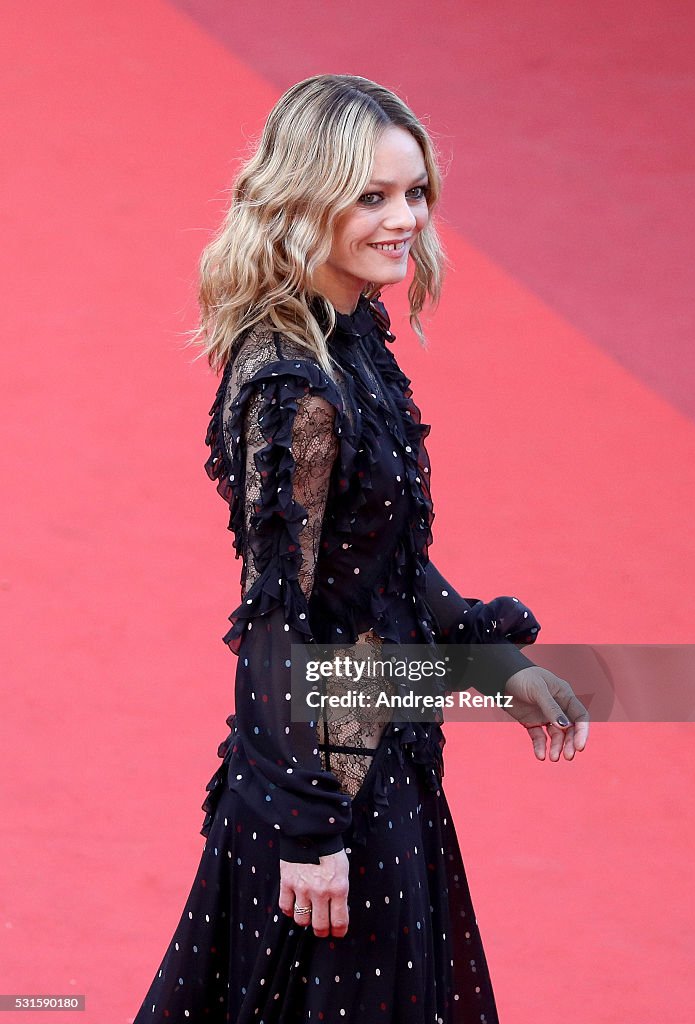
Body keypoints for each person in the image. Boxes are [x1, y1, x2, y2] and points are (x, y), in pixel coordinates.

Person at [132, 74, 588, 1024]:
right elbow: (276, 624)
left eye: (414, 192)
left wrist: (498, 667)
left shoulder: (352, 339)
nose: (404, 219)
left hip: (379, 762)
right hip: (331, 790)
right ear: (304, 198)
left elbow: (381, 568)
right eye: (371, 196)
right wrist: (308, 832)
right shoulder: (292, 387)